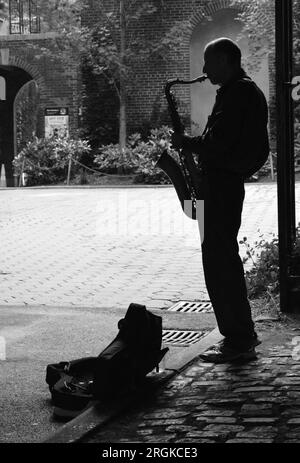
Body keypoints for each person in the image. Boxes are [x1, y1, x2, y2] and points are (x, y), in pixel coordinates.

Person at [171, 37, 269, 363]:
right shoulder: (238, 91)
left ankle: (238, 339)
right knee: (221, 259)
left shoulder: (239, 92)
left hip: (222, 186)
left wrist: (189, 143)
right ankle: (239, 336)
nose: (203, 70)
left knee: (219, 262)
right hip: (224, 184)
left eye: (208, 62)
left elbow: (220, 142)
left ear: (226, 61)